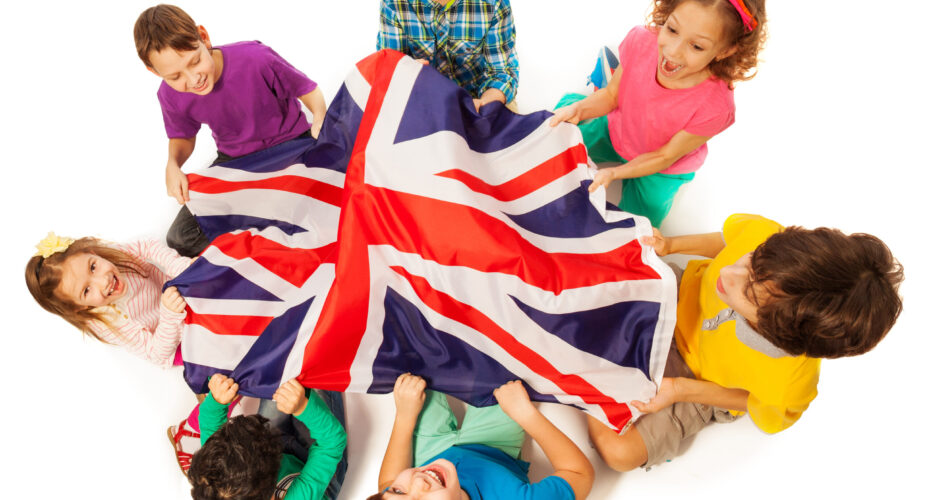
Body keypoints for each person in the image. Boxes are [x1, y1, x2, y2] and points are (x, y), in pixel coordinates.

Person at [586, 214, 904, 471]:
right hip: (679, 295)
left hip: (695, 379)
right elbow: (726, 241)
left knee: (620, 452)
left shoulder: (790, 382)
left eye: (749, 292)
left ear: (776, 332)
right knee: (594, 272)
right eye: (752, 259)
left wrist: (680, 390)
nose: (729, 271)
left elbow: (751, 402)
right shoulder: (768, 238)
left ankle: (591, 374)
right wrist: (670, 244)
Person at [550, 0, 766, 227]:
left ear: (725, 51)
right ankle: (590, 92)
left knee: (638, 228)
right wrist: (578, 109)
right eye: (672, 29)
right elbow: (612, 96)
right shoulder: (641, 41)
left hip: (663, 167)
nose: (673, 51)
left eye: (697, 46)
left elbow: (665, 156)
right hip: (618, 130)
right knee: (557, 143)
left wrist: (615, 173)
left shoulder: (717, 107)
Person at [134, 4, 327, 257]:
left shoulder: (255, 58)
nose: (193, 79)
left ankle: (282, 220)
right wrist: (173, 164)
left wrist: (320, 119)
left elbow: (308, 90)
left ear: (203, 37)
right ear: (155, 72)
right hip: (237, 163)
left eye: (195, 62)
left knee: (329, 200)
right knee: (181, 237)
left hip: (291, 146)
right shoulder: (169, 95)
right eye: (175, 76)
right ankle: (267, 241)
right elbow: (183, 136)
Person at [369, 374, 594, 499]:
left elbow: (386, 483)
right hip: (495, 447)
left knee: (411, 374)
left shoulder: (414, 481)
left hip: (430, 451)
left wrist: (404, 417)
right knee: (502, 372)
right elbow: (579, 473)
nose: (418, 482)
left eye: (400, 492)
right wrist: (526, 414)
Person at [25, 232, 191, 366]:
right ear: (78, 307)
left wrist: (174, 265)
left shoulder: (111, 255)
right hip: (171, 339)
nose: (103, 281)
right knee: (200, 352)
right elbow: (156, 352)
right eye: (87, 290)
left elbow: (147, 245)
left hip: (175, 291)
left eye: (92, 267)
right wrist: (169, 316)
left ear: (92, 253)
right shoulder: (108, 322)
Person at [189, 375, 347, 500]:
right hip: (319, 482)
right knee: (314, 379)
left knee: (278, 378)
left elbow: (210, 427)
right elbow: (332, 443)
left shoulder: (211, 472)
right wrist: (304, 407)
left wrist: (217, 400)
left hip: (274, 460)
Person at [377, 0, 519, 111]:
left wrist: (484, 103)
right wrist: (407, 71)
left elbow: (501, 72)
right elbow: (389, 70)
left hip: (477, 94)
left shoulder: (494, 3)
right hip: (419, 98)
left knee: (508, 134)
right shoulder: (393, 3)